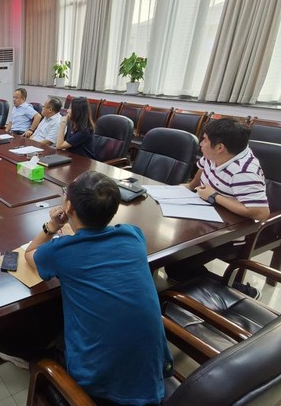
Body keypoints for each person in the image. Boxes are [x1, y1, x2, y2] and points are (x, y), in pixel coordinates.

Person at [23, 171, 173, 405]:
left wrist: (52, 226)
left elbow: (30, 253)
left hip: (99, 387)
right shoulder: (133, 235)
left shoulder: (60, 251)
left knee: (41, 337)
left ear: (69, 207)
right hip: (154, 373)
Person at [165, 118, 269, 288]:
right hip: (205, 217)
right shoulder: (214, 154)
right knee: (169, 246)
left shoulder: (244, 172)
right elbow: (199, 177)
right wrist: (187, 187)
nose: (201, 143)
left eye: (205, 139)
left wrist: (214, 196)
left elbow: (261, 213)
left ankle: (240, 290)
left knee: (176, 264)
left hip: (231, 232)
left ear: (220, 147)